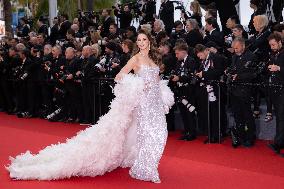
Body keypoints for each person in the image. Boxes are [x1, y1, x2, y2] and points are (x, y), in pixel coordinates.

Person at [7, 29, 174, 184]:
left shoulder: (154, 59)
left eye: (144, 39)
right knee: (146, 135)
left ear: (149, 41)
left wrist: (161, 93)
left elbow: (156, 80)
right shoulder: (135, 58)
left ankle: (145, 164)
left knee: (159, 133)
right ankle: (145, 168)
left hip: (155, 103)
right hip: (143, 103)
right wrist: (138, 84)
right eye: (139, 40)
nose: (141, 42)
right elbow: (119, 76)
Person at [266, 33, 284, 155]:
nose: (272, 47)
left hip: (282, 89)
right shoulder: (274, 54)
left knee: (282, 118)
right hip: (275, 89)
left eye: (273, 44)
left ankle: (279, 142)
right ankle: (279, 142)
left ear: (280, 42)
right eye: (270, 45)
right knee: (280, 118)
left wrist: (279, 69)